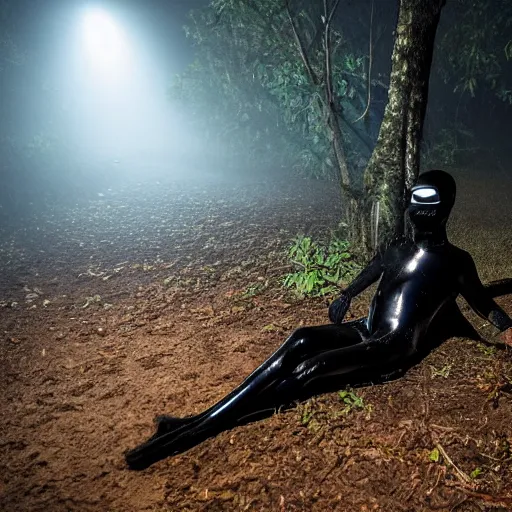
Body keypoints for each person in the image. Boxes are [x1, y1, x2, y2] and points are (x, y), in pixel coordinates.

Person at [125, 170, 512, 470]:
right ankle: (198, 418)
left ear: (446, 205)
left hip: (392, 344)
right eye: (412, 197)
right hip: (365, 326)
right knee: (300, 339)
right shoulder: (398, 246)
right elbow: (372, 270)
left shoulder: (456, 262)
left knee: (311, 370)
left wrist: (507, 328)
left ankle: (189, 434)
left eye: (426, 198)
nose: (416, 206)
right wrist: (346, 293)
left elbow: (480, 303)